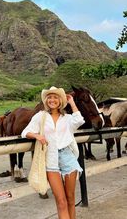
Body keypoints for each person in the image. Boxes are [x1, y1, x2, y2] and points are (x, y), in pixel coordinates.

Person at [21, 86, 85, 219]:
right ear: (46, 101)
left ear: (60, 101)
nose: (52, 100)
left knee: (70, 198)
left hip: (68, 157)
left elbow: (79, 120)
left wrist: (72, 102)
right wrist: (37, 136)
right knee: (61, 202)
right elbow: (25, 132)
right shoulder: (40, 117)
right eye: (49, 97)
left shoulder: (67, 118)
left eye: (55, 97)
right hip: (51, 160)